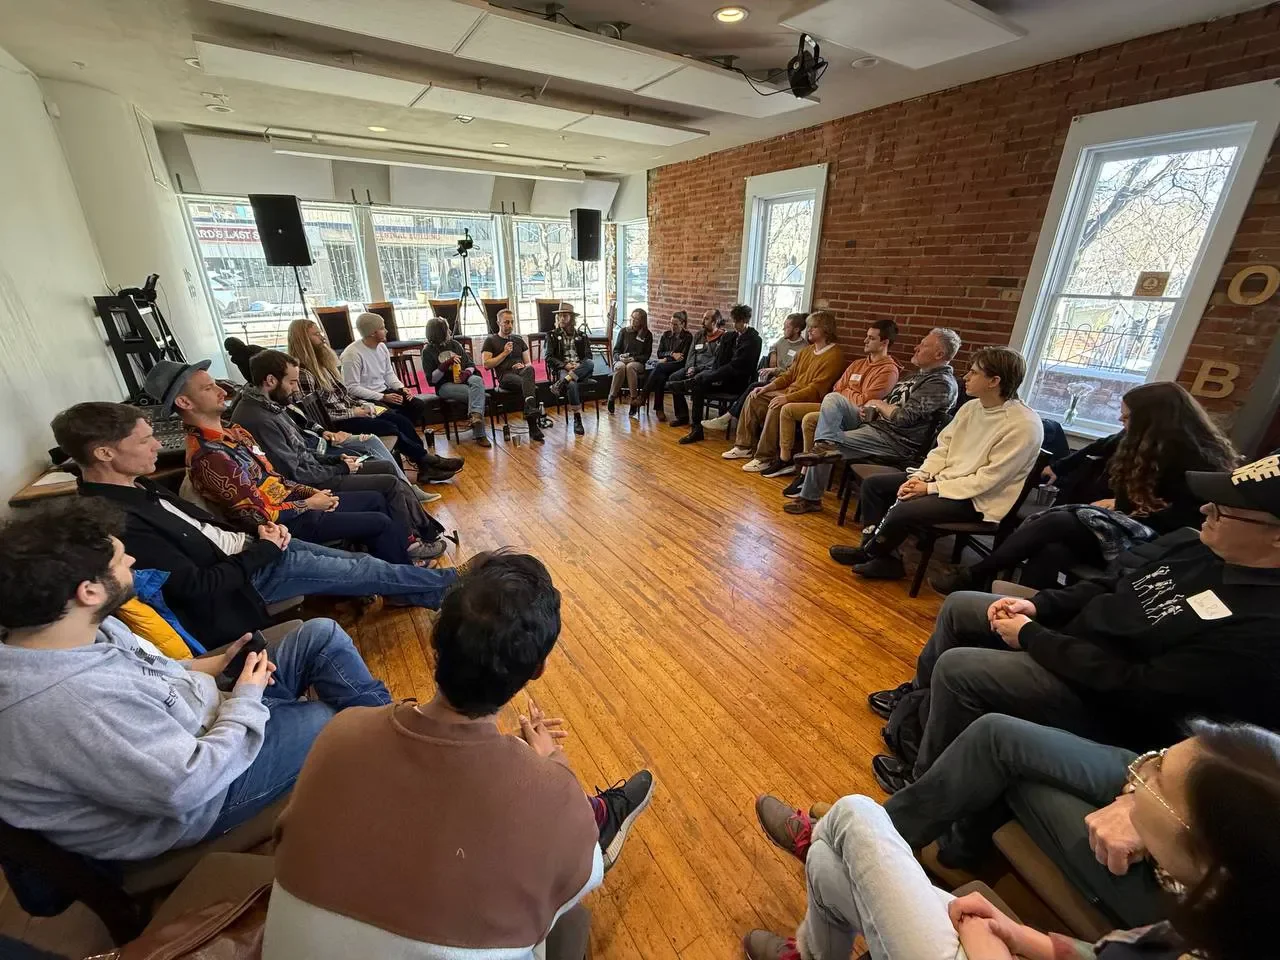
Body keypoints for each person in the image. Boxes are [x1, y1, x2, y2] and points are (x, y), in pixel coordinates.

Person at [262, 550, 655, 959]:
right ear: (537, 668)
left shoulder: (339, 733)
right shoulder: (551, 794)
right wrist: (553, 766)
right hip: (554, 817)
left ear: (435, 645)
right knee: (557, 912)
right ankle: (602, 815)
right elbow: (581, 877)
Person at [0, 497, 392, 861]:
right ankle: (393, 758)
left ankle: (397, 738)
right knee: (335, 723)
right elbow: (185, 787)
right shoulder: (69, 703)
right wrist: (246, 699)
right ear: (88, 591)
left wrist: (215, 665)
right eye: (121, 560)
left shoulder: (84, 630)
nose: (133, 559)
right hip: (201, 801)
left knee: (318, 634)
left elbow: (150, 671)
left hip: (211, 724)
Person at [865, 452, 1280, 792]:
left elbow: (1136, 686)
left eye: (1225, 509)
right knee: (961, 604)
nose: (1206, 508)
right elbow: (1110, 584)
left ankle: (923, 779)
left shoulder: (1261, 627)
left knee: (960, 669)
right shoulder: (1198, 545)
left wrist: (1033, 637)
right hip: (1072, 642)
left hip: (1103, 699)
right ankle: (917, 704)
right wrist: (1040, 606)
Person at [744, 718, 1280, 960]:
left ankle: (827, 832)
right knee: (829, 865)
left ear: (1209, 853)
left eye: (1156, 775)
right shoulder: (1219, 915)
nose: (1136, 776)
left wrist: (987, 949)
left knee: (857, 815)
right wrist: (1032, 941)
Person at [54, 402, 456, 651]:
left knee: (369, 567)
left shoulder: (138, 486)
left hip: (259, 545)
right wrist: (263, 547)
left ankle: (437, 592)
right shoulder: (113, 519)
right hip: (248, 575)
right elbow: (196, 588)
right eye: (144, 441)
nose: (157, 445)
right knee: (363, 569)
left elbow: (209, 527)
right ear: (105, 452)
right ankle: (454, 586)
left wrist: (261, 535)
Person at [931, 382, 1239, 594]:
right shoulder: (1140, 438)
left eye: (1128, 417)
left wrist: (1120, 510)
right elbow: (1101, 445)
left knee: (1060, 521)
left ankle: (978, 574)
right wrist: (1059, 466)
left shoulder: (1198, 463)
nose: (1121, 419)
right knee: (1052, 547)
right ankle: (1026, 613)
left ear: (1154, 421)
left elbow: (1182, 524)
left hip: (1157, 542)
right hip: (1125, 525)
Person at [155, 361, 430, 565]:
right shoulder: (209, 456)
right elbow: (256, 516)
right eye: (208, 387)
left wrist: (312, 494)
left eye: (215, 383)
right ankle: (406, 582)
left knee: (375, 500)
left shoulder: (235, 432)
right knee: (379, 519)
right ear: (184, 402)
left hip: (299, 502)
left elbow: (276, 479)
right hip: (285, 525)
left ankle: (396, 564)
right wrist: (309, 503)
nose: (221, 391)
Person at [831, 347, 1044, 581]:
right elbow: (943, 448)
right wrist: (920, 477)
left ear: (994, 381)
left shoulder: (1024, 425)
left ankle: (869, 552)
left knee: (904, 509)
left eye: (974, 373)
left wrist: (929, 488)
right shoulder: (972, 407)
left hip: (977, 500)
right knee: (873, 485)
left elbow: (988, 480)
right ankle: (885, 557)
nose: (966, 377)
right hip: (944, 480)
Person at [232, 350, 450, 556]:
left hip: (317, 470)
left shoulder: (270, 406)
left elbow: (303, 450)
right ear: (271, 381)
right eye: (292, 382)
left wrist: (336, 458)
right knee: (390, 484)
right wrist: (340, 467)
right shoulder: (258, 419)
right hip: (311, 485)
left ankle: (423, 531)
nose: (296, 388)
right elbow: (295, 473)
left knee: (386, 467)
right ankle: (411, 544)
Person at [783, 327, 961, 514]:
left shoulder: (940, 383)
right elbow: (887, 403)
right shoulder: (918, 375)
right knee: (833, 399)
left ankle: (811, 495)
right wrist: (873, 408)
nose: (916, 347)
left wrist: (877, 404)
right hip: (876, 425)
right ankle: (824, 446)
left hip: (894, 440)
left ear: (939, 354)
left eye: (923, 345)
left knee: (828, 442)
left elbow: (904, 418)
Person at [286, 318, 453, 478]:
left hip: (355, 408)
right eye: (316, 334)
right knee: (391, 426)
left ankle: (424, 463)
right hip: (341, 422)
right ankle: (426, 461)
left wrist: (365, 405)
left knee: (401, 419)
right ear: (304, 341)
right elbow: (317, 415)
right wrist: (357, 411)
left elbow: (345, 395)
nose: (322, 337)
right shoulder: (305, 374)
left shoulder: (324, 365)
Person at [781, 319, 901, 497]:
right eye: (866, 337)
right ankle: (808, 469)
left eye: (871, 338)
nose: (865, 341)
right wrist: (849, 394)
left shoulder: (888, 370)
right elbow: (838, 387)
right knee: (810, 419)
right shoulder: (857, 364)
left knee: (831, 401)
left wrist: (847, 393)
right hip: (837, 410)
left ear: (884, 342)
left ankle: (810, 468)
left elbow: (866, 400)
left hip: (861, 418)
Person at [723, 311, 846, 477]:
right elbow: (789, 375)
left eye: (814, 327)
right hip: (790, 392)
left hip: (809, 399)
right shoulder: (807, 351)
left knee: (777, 406)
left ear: (826, 329)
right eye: (808, 327)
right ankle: (743, 446)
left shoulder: (835, 355)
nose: (809, 330)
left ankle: (764, 457)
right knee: (755, 395)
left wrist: (786, 398)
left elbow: (816, 389)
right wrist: (767, 388)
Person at [702, 312, 809, 434]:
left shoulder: (804, 349)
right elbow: (774, 346)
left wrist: (775, 370)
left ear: (796, 329)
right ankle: (733, 424)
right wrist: (773, 354)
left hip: (787, 385)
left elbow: (793, 373)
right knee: (753, 390)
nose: (783, 329)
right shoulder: (783, 340)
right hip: (774, 380)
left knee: (753, 388)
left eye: (787, 327)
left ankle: (728, 419)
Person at [677, 304, 762, 444]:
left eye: (739, 322)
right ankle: (696, 430)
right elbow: (719, 360)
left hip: (738, 383)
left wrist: (712, 375)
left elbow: (737, 365)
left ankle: (687, 383)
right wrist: (712, 375)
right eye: (734, 321)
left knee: (700, 379)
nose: (736, 325)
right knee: (699, 385)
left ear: (746, 321)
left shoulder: (754, 340)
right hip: (722, 378)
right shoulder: (729, 336)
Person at [339, 312, 432, 426]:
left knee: (417, 405)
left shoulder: (382, 347)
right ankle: (403, 430)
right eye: (382, 328)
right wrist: (383, 397)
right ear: (372, 332)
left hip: (384, 392)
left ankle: (404, 431)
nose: (386, 331)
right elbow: (351, 388)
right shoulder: (352, 354)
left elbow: (388, 373)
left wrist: (401, 388)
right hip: (365, 398)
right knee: (397, 418)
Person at [421, 316, 492, 448]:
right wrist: (445, 365)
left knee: (476, 379)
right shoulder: (428, 351)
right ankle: (480, 434)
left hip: (463, 379)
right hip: (445, 385)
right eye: (446, 329)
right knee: (475, 393)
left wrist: (467, 373)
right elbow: (432, 380)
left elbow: (470, 364)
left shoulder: (455, 344)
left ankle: (476, 416)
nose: (449, 332)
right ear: (439, 332)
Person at [482, 308, 544, 443]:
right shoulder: (491, 341)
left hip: (521, 373)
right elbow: (486, 365)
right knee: (529, 386)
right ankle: (533, 427)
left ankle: (529, 409)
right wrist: (504, 353)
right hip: (505, 376)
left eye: (511, 322)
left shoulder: (518, 340)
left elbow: (528, 363)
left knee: (530, 370)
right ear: (498, 322)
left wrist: (523, 366)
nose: (509, 325)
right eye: (506, 322)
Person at [545, 302, 595, 436]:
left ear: (571, 318)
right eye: (560, 316)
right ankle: (577, 418)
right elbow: (549, 357)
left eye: (565, 316)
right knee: (572, 384)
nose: (561, 319)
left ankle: (562, 382)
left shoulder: (582, 335)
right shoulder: (552, 336)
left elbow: (588, 356)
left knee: (589, 363)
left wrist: (579, 365)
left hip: (581, 367)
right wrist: (565, 365)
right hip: (564, 367)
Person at [642, 310, 693, 421]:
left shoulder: (688, 337)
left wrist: (667, 358)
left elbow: (682, 357)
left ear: (682, 324)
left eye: (675, 324)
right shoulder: (666, 335)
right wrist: (671, 354)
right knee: (660, 377)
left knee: (659, 367)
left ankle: (643, 396)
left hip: (679, 365)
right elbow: (659, 353)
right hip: (667, 365)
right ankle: (659, 409)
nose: (672, 326)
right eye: (671, 323)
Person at [607, 307, 654, 418]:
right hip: (622, 360)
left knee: (630, 367)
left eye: (636, 319)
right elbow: (616, 350)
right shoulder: (624, 331)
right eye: (632, 318)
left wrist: (635, 358)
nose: (633, 321)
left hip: (637, 362)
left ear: (642, 321)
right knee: (621, 367)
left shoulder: (647, 335)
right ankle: (612, 396)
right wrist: (619, 357)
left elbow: (646, 355)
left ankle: (633, 399)